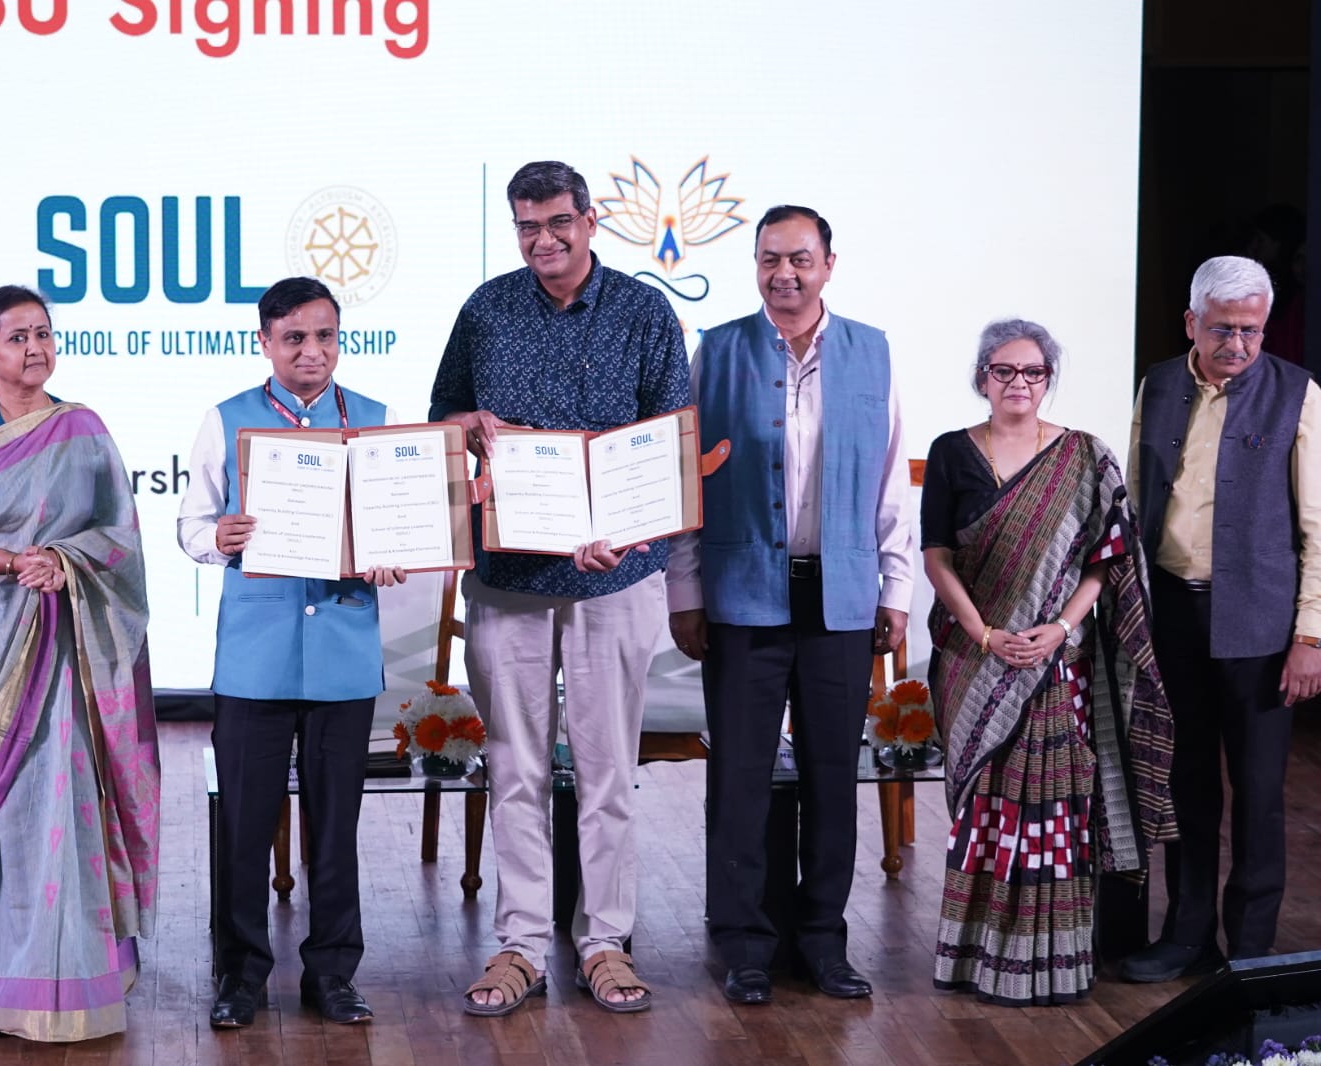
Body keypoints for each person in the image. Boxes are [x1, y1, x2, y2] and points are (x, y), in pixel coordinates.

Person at [430, 160, 689, 1015]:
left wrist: (629, 532)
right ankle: (521, 945)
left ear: (589, 221)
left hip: (616, 575)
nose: (543, 240)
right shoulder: (486, 309)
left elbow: (667, 446)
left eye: (557, 223)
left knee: (608, 771)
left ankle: (605, 941)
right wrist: (469, 426)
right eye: (527, 227)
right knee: (515, 770)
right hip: (508, 576)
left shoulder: (645, 312)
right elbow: (443, 420)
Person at [666, 204, 911, 1004]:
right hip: (741, 595)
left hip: (841, 595)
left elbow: (887, 482)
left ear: (829, 265)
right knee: (739, 777)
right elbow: (688, 481)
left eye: (800, 259)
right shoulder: (717, 351)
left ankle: (823, 941)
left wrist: (897, 588)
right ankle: (743, 943)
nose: (785, 274)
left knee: (832, 777)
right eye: (770, 259)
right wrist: (685, 588)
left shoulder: (872, 351)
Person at [0, 284, 159, 1040]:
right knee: (0, 802)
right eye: (17, 337)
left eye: (44, 333)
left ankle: (79, 974)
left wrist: (62, 559)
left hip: (67, 644)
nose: (35, 348)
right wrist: (17, 561)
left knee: (65, 798)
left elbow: (119, 537)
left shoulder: (83, 429)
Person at [922, 319, 1174, 1005]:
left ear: (1048, 379)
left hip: (1056, 664)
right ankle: (975, 959)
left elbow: (1105, 561)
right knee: (986, 811)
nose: (1019, 383)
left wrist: (1060, 629)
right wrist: (984, 634)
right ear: (982, 377)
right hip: (976, 659)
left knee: (1053, 811)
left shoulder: (1084, 456)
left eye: (1033, 372)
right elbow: (937, 555)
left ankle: (1052, 962)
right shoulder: (950, 452)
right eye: (1004, 370)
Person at [178, 276, 404, 1028]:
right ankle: (239, 976)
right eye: (295, 338)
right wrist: (220, 537)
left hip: (344, 653)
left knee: (336, 830)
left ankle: (332, 974)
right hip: (256, 656)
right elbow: (191, 526)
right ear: (265, 342)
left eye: (325, 336)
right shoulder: (226, 419)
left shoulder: (376, 421)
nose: (312, 351)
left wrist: (392, 555)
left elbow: (399, 526)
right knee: (244, 826)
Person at [1119, 256, 1321, 982]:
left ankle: (1252, 952)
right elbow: (1137, 500)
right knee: (1185, 783)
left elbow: (1318, 525)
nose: (1237, 344)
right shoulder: (1159, 384)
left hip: (1261, 627)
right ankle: (1187, 935)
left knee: (1260, 794)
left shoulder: (1297, 393)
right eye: (1222, 329)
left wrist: (1311, 635)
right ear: (1191, 323)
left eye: (1250, 330)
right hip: (1173, 613)